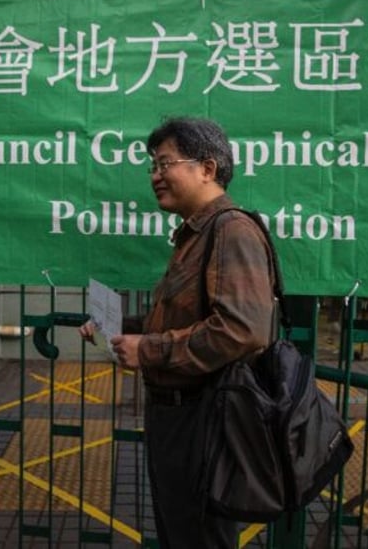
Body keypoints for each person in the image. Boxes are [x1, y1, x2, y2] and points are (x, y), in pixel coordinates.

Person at [79, 117, 277, 548]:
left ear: (207, 168)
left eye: (165, 163)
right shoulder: (194, 235)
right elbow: (183, 322)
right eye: (152, 165)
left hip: (205, 421)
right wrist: (118, 329)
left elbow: (243, 330)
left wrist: (149, 351)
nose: (155, 175)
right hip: (178, 417)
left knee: (199, 538)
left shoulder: (232, 230)